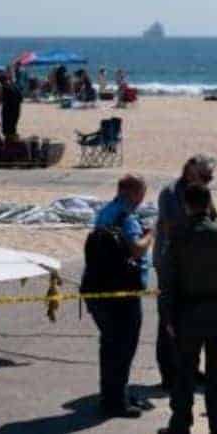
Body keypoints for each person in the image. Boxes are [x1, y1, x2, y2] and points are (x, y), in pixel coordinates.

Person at [159, 185, 217, 434]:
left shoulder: (177, 236)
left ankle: (180, 426)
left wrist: (168, 317)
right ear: (208, 203)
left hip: (187, 313)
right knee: (216, 371)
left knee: (185, 372)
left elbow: (168, 282)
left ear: (187, 205)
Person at [81, 175, 154, 418]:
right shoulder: (126, 217)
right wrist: (149, 236)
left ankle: (113, 394)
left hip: (99, 290)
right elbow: (136, 249)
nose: (142, 199)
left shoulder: (105, 213)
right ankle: (115, 401)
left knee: (110, 345)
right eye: (141, 194)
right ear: (132, 193)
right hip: (122, 294)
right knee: (123, 348)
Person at [155, 155, 217, 389]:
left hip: (195, 264)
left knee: (193, 317)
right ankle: (169, 374)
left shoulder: (202, 192)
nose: (207, 181)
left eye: (209, 177)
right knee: (169, 318)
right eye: (204, 176)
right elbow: (173, 228)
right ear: (190, 170)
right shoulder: (171, 193)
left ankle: (190, 368)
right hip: (172, 264)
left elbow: (213, 219)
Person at [0, 71, 23, 140]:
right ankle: (15, 141)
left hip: (8, 112)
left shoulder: (4, 88)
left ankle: (11, 144)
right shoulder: (15, 86)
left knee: (7, 131)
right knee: (13, 129)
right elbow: (21, 98)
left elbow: (1, 100)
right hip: (16, 111)